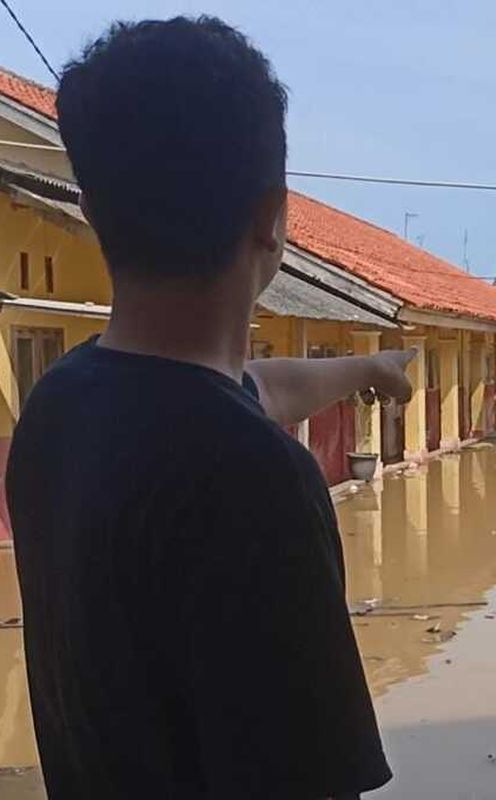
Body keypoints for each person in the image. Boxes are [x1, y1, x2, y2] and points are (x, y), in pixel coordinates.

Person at [7, 17, 404, 799]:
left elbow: (253, 387)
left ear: (90, 207)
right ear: (272, 214)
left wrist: (369, 367)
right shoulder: (259, 483)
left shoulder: (59, 408)